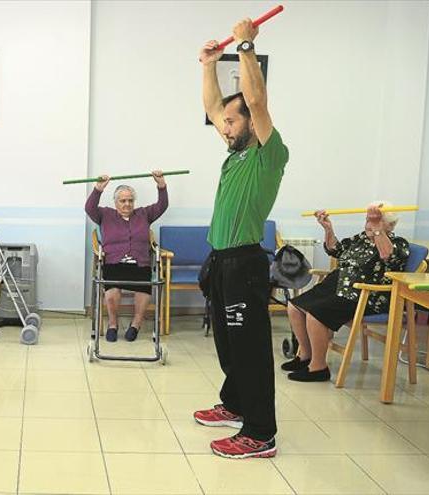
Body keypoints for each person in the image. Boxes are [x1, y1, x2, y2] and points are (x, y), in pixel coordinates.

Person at [192, 18, 289, 459]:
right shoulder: (233, 153)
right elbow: (214, 106)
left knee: (250, 349)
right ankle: (234, 404)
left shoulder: (268, 155)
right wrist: (208, 65)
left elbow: (256, 98)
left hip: (246, 262)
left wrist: (245, 45)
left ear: (252, 123)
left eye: (232, 122)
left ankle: (260, 433)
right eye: (224, 122)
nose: (224, 127)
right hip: (221, 260)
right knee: (227, 342)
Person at [283, 204, 410, 381]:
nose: (368, 224)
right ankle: (306, 355)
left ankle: (318, 368)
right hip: (336, 285)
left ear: (389, 226)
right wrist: (328, 228)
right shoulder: (361, 239)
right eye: (368, 220)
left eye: (375, 221)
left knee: (316, 314)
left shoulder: (399, 244)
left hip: (364, 294)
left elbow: (386, 255)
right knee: (294, 307)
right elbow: (335, 249)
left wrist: (377, 230)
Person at [84, 171, 168, 342]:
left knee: (144, 287)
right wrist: (98, 189)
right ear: (115, 202)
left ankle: (136, 324)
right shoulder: (105, 215)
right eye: (123, 200)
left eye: (130, 200)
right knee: (112, 290)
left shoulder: (144, 214)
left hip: (140, 263)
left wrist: (161, 185)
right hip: (114, 263)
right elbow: (89, 208)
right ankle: (113, 324)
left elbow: (162, 205)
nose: (127, 204)